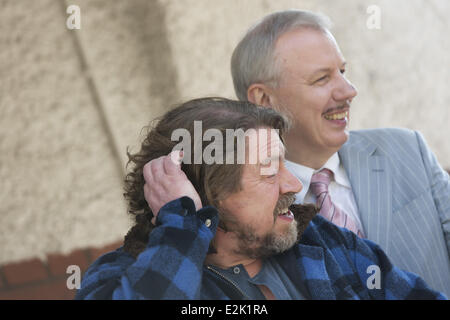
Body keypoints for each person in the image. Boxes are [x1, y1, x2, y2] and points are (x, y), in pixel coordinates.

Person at [75, 97, 445, 300]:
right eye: (269, 171)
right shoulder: (118, 277)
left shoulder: (324, 242)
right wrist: (182, 227)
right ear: (210, 194)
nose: (292, 185)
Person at [230, 9, 450, 296]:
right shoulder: (247, 209)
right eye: (322, 79)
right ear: (263, 99)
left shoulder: (408, 149)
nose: (348, 91)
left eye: (342, 72)